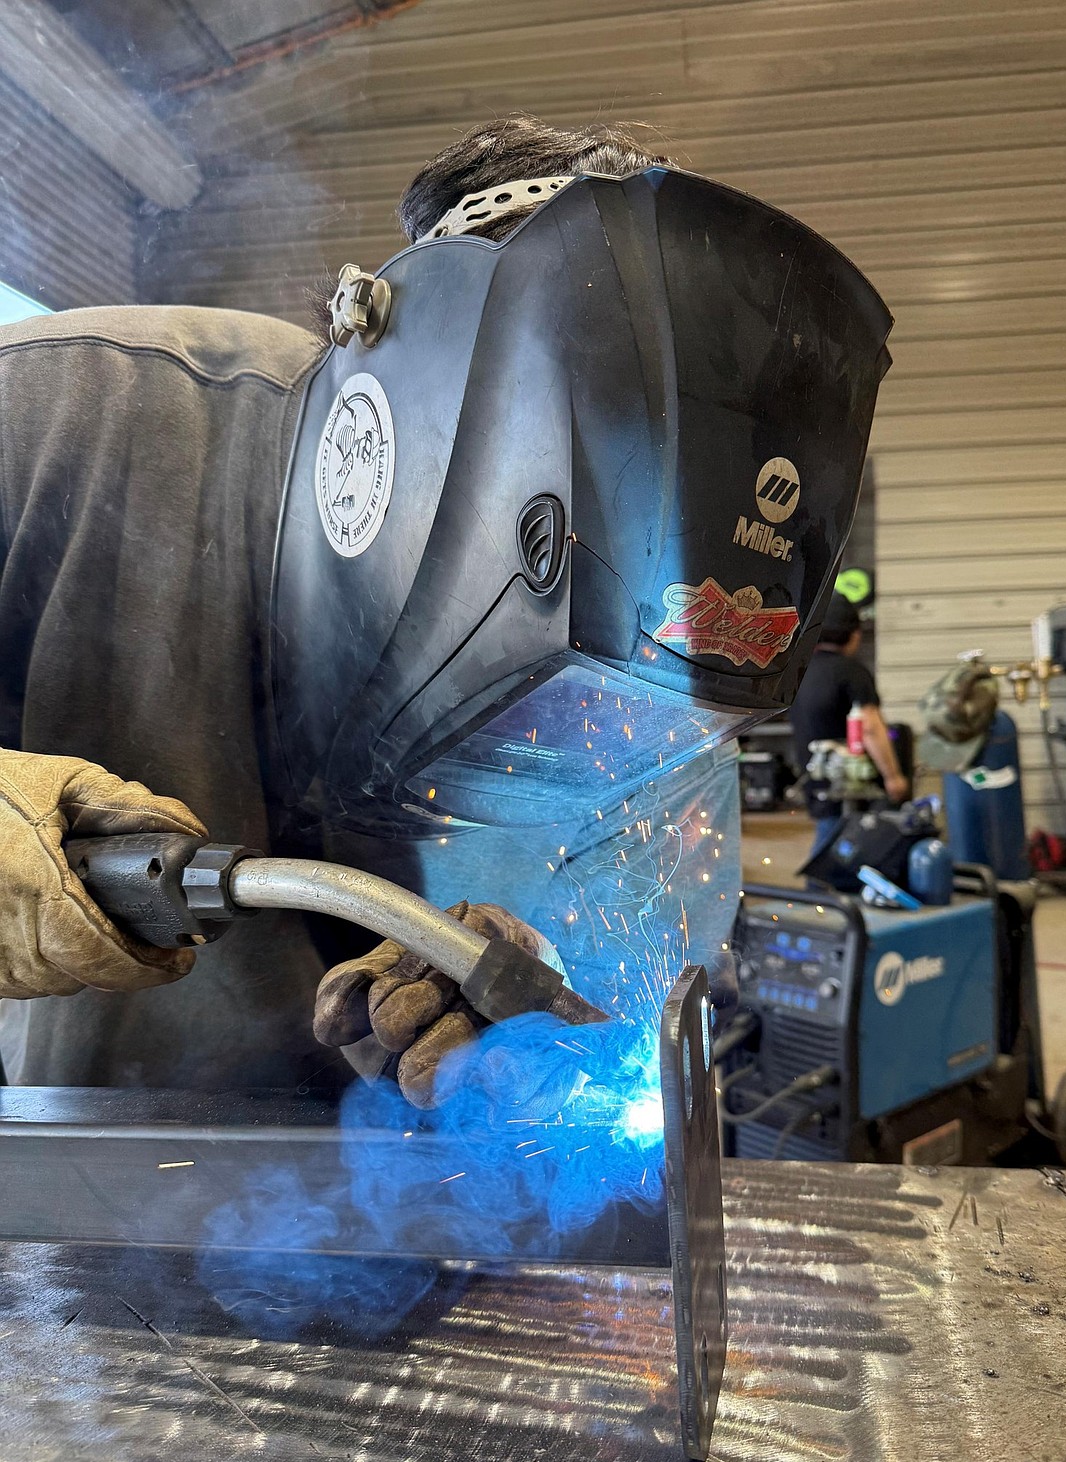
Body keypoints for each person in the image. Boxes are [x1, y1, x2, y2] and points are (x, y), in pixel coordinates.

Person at [0, 115, 891, 1096]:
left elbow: (630, 989)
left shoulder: (659, 714)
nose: (591, 736)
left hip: (354, 1206)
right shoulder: (83, 415)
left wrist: (536, 995)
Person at [788, 592, 909, 853]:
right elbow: (869, 726)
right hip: (849, 787)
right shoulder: (852, 671)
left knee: (830, 837)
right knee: (840, 849)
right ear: (853, 635)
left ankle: (819, 889)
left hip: (813, 776)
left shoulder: (800, 671)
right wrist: (894, 777)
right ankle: (817, 891)